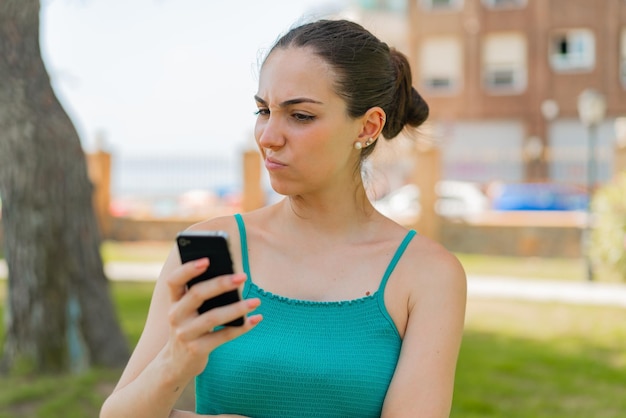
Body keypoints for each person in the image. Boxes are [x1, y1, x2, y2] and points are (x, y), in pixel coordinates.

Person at [100, 18, 466, 418]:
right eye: (263, 110)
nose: (268, 136)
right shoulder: (213, 248)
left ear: (368, 125)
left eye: (300, 116)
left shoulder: (428, 274)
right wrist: (176, 358)